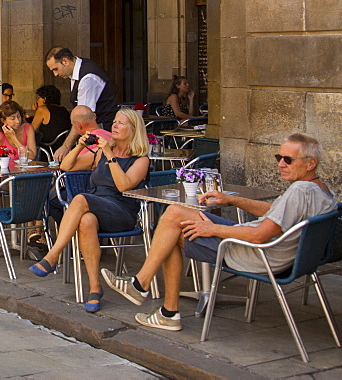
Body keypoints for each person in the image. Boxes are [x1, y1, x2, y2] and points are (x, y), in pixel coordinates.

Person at [102, 133, 336, 332]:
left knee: (172, 221)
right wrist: (231, 200)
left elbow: (259, 236)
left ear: (310, 163)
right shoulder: (322, 191)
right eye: (278, 157)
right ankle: (159, 304)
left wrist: (213, 229)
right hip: (279, 254)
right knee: (172, 224)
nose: (280, 164)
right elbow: (275, 211)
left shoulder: (300, 190)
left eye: (288, 159)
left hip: (256, 253)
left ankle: (148, 292)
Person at [29, 108, 150, 313]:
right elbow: (66, 167)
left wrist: (111, 156)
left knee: (80, 199)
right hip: (96, 207)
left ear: (133, 129)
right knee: (85, 221)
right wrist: (79, 146)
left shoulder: (140, 159)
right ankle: (95, 289)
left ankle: (53, 256)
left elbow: (123, 186)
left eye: (121, 123)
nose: (114, 125)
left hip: (122, 212)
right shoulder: (101, 153)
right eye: (114, 121)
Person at [46, 47, 119, 159]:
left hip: (102, 131)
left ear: (65, 61)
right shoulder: (79, 70)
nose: (55, 74)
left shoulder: (88, 78)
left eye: (55, 69)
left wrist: (66, 146)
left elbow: (83, 119)